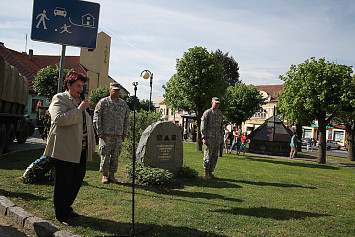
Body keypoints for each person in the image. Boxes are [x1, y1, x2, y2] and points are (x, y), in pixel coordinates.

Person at [43, 72, 96, 225]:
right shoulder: (60, 98)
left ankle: (67, 207)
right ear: (68, 85)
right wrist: (79, 109)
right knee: (63, 183)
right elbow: (59, 119)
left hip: (81, 149)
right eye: (78, 85)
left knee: (76, 179)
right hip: (64, 149)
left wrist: (91, 144)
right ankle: (61, 214)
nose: (81, 89)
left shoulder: (81, 101)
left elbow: (87, 124)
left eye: (82, 86)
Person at [93, 82, 130, 184]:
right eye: (114, 90)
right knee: (105, 155)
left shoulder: (123, 104)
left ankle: (112, 175)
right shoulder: (103, 102)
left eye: (118, 90)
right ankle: (105, 175)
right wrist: (99, 131)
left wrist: (125, 131)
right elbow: (97, 118)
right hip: (106, 135)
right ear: (110, 90)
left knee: (115, 156)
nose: (116, 92)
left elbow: (127, 119)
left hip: (118, 135)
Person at [200, 97, 223, 180]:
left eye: (218, 103)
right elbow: (203, 126)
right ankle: (206, 172)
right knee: (208, 155)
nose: (217, 104)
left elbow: (221, 127)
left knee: (215, 156)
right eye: (215, 103)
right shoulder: (207, 113)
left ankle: (210, 172)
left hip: (217, 138)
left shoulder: (220, 114)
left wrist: (221, 137)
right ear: (212, 103)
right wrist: (204, 137)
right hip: (209, 138)